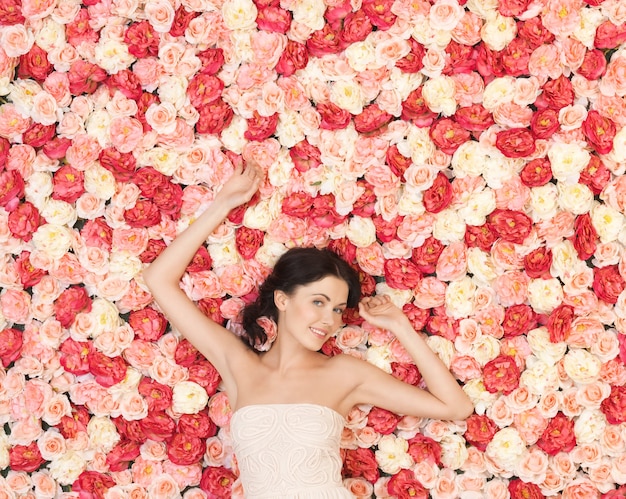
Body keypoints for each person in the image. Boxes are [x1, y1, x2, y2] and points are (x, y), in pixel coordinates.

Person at [143, 163, 474, 498]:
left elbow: (455, 407)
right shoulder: (239, 364)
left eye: (336, 309)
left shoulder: (344, 373)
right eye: (318, 302)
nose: (329, 320)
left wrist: (400, 326)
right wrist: (222, 205)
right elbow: (159, 280)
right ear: (283, 300)